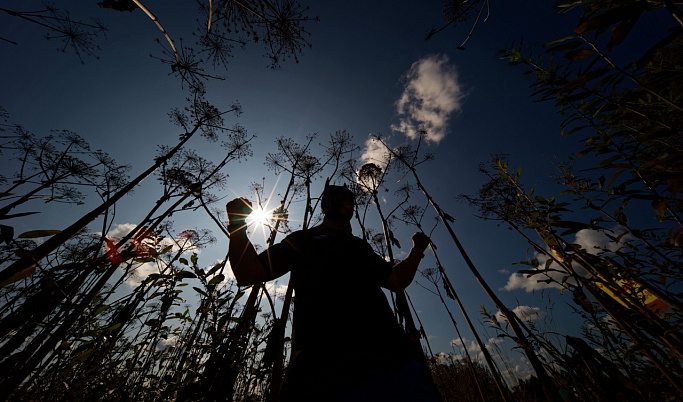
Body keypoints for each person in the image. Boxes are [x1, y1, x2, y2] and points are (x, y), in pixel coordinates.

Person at [226, 182, 439, 401]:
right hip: (323, 369)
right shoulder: (303, 240)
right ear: (327, 206)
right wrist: (237, 224)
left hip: (393, 362)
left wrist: (416, 251)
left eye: (349, 199)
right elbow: (248, 271)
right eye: (339, 198)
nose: (347, 201)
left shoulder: (360, 247)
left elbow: (396, 281)